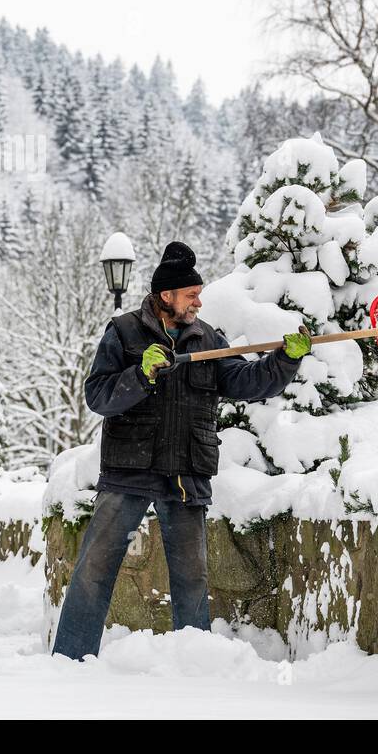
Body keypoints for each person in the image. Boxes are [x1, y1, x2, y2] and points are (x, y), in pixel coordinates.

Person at [50, 240, 311, 660]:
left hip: (186, 472)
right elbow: (98, 396)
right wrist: (140, 374)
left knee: (191, 579)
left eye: (199, 294)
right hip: (129, 469)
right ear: (165, 295)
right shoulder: (124, 331)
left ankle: (195, 664)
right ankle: (69, 660)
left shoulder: (207, 337)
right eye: (191, 295)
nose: (198, 301)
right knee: (94, 570)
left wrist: (283, 362)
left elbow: (245, 382)